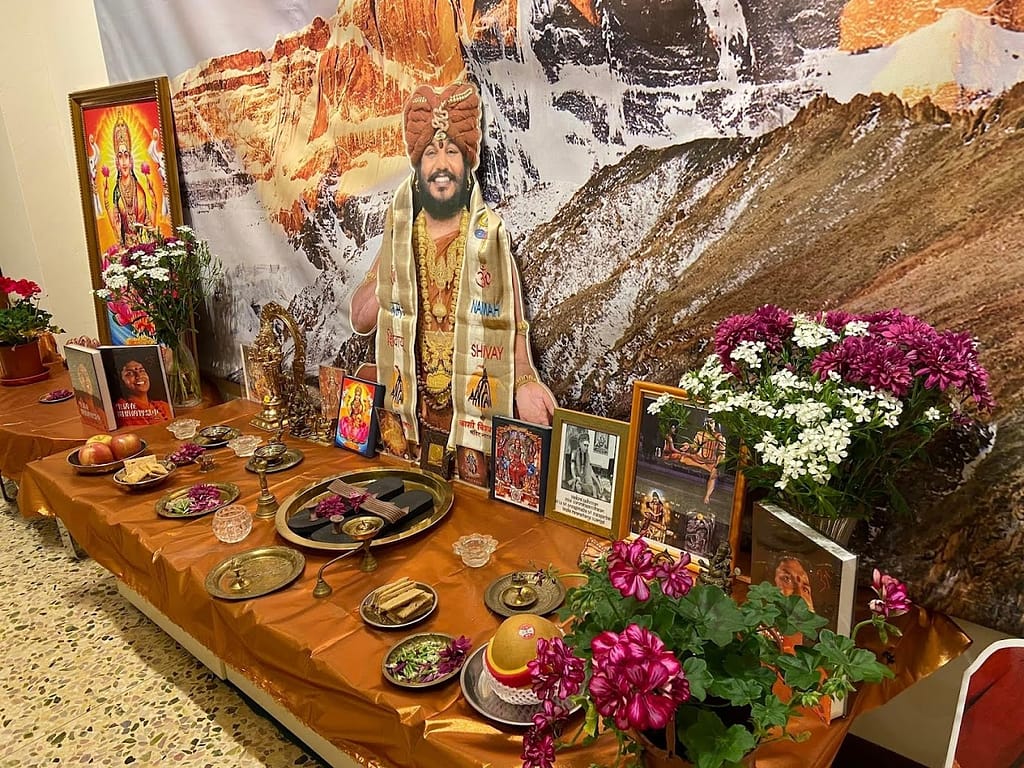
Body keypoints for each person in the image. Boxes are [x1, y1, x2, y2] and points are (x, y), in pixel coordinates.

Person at [349, 81, 554, 471]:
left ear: (468, 163)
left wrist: (527, 386)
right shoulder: (398, 239)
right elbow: (360, 320)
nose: (441, 165)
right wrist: (395, 261)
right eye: (430, 152)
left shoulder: (491, 244)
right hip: (408, 421)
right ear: (418, 165)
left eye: (452, 152)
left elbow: (516, 348)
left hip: (468, 425)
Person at [100, 112, 153, 246]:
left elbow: (148, 223)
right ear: (117, 162)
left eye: (126, 155)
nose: (124, 161)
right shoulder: (117, 192)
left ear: (131, 160)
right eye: (120, 156)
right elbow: (117, 225)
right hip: (126, 248)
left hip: (143, 247)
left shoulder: (139, 190)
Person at [114, 359, 172, 426]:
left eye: (141, 371)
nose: (139, 376)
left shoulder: (163, 406)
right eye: (130, 373)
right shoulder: (122, 409)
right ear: (120, 382)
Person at [566, 431, 599, 497]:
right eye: (585, 445)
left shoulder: (587, 455)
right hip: (577, 477)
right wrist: (575, 477)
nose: (586, 448)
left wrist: (598, 483)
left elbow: (590, 470)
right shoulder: (574, 453)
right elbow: (572, 467)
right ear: (580, 443)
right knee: (578, 488)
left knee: (594, 489)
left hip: (584, 477)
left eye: (587, 446)